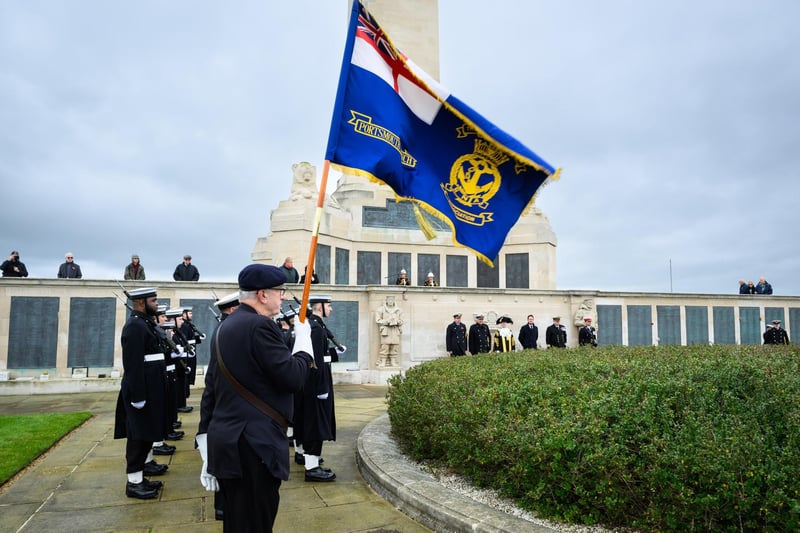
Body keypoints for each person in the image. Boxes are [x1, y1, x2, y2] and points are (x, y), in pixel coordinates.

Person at [203, 264, 315, 532]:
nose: (283, 297)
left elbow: (212, 388)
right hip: (253, 446)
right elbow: (293, 378)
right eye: (280, 291)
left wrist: (205, 439)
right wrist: (304, 345)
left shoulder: (226, 326)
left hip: (229, 442)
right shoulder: (260, 327)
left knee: (238, 521)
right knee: (255, 522)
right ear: (263, 295)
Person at [112, 287, 170, 500]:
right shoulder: (135, 326)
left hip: (151, 388)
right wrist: (138, 396)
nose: (156, 304)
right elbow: (133, 365)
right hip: (142, 389)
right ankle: (134, 482)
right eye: (153, 301)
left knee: (147, 433)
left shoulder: (145, 323)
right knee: (137, 437)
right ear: (140, 303)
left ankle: (142, 474)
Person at [196, 290, 240, 522]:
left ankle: (224, 508)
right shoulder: (227, 334)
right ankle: (224, 508)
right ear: (233, 309)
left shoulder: (223, 331)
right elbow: (213, 383)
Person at [297, 294, 342, 482]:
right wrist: (321, 387)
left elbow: (322, 355)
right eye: (328, 305)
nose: (330, 309)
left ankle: (313, 462)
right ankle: (311, 468)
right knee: (314, 424)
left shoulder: (318, 326)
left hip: (319, 381)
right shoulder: (315, 328)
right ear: (319, 307)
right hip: (316, 384)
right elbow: (314, 361)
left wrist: (334, 352)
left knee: (316, 423)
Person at [375, 295, 403, 367]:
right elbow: (378, 320)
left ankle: (393, 361)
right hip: (386, 330)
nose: (390, 301)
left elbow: (402, 320)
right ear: (386, 301)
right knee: (385, 346)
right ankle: (383, 361)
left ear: (394, 301)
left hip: (395, 329)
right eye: (389, 300)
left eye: (392, 300)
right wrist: (387, 321)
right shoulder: (380, 309)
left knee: (395, 346)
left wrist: (397, 322)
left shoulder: (398, 310)